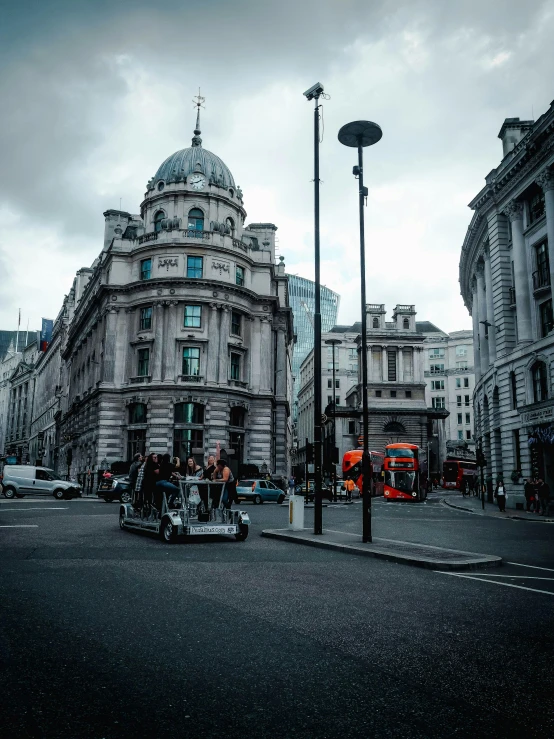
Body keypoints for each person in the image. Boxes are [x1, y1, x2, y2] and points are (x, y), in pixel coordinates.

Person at [142, 453, 160, 517]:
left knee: (148, 498)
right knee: (151, 498)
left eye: (156, 457)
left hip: (148, 483)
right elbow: (158, 472)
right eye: (154, 457)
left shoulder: (148, 465)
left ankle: (148, 512)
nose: (156, 458)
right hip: (150, 483)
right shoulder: (153, 465)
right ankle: (151, 512)